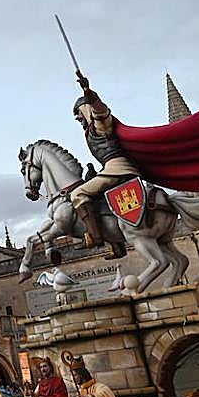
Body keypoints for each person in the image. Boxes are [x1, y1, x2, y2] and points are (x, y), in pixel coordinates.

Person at [68, 74, 135, 259]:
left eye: (79, 114)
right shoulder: (91, 132)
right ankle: (116, 245)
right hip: (111, 169)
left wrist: (89, 93)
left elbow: (101, 112)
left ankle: (96, 238)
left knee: (78, 194)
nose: (79, 119)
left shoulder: (100, 127)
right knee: (98, 201)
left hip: (118, 169)